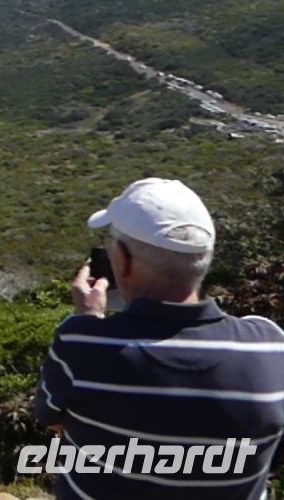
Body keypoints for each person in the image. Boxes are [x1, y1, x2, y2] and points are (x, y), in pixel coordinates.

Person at [34, 178, 284, 498]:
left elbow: (53, 420)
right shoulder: (270, 347)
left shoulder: (79, 344)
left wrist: (87, 323)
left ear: (122, 260)